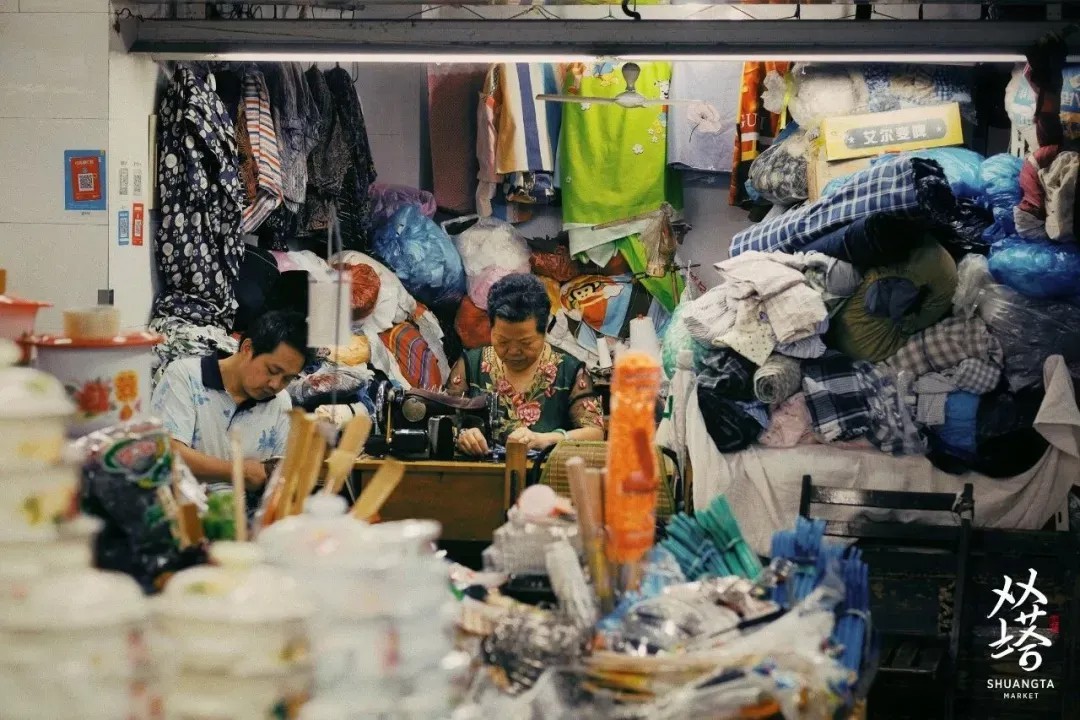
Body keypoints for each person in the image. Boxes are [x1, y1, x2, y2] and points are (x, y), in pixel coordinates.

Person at [150, 310, 311, 492]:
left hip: (249, 510)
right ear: (247, 348)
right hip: (187, 506)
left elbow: (281, 474)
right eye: (272, 370)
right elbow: (165, 453)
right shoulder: (185, 376)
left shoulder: (280, 402)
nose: (275, 384)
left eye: (287, 379)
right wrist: (240, 472)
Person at [446, 273, 605, 456]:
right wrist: (463, 436)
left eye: (526, 343)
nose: (513, 351)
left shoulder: (569, 370)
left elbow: (595, 433)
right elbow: (443, 421)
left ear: (544, 331)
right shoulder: (470, 365)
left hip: (544, 473)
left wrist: (545, 440)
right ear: (491, 328)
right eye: (503, 341)